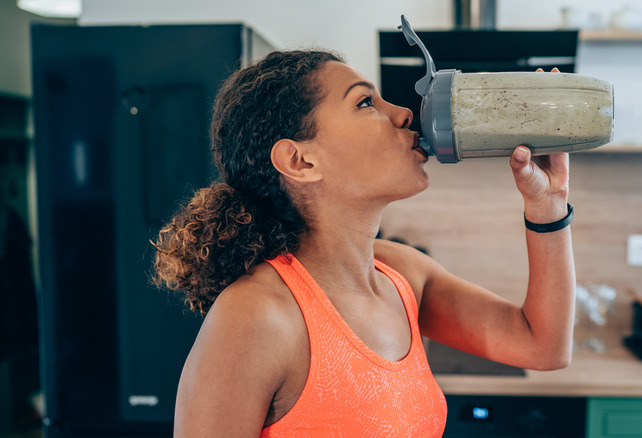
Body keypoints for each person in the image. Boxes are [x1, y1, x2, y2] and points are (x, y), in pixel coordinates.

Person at [153, 49, 575, 437]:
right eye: (365, 103)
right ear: (300, 161)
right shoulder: (256, 316)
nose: (405, 114)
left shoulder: (402, 275)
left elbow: (543, 346)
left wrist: (548, 205)